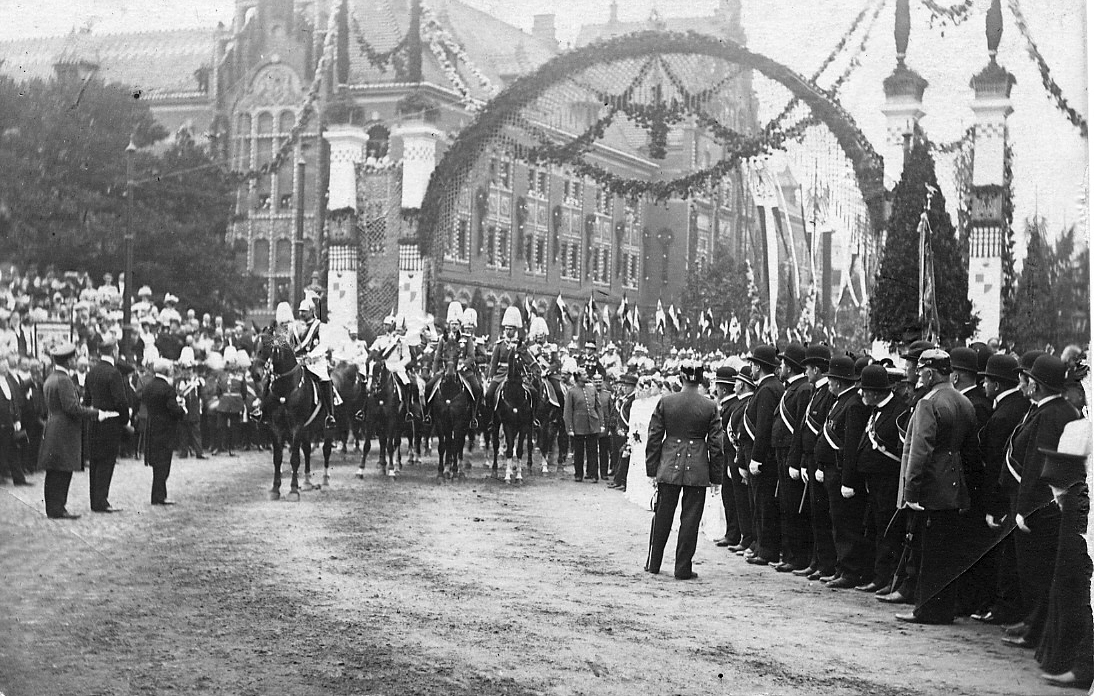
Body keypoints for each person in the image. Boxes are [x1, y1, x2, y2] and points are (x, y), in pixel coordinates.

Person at [1003, 354, 1081, 648]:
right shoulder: (1055, 410)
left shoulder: (1050, 415)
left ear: (1036, 386)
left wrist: (1025, 509)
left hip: (1039, 508)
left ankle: (1036, 630)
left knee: (1036, 572)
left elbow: (1038, 466)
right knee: (1033, 571)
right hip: (1045, 505)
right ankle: (1033, 622)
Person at [894, 349, 977, 624]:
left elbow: (919, 452)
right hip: (955, 485)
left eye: (921, 371)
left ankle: (926, 609)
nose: (918, 375)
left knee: (928, 551)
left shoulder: (928, 403)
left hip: (931, 486)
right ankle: (944, 609)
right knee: (947, 551)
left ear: (930, 372)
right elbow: (970, 450)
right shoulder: (964, 402)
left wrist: (910, 491)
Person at [644, 359, 723, 580]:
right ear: (700, 379)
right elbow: (717, 445)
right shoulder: (710, 406)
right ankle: (682, 568)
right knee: (690, 519)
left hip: (669, 464)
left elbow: (654, 438)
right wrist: (716, 476)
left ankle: (654, 562)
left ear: (680, 378)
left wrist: (652, 469)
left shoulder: (666, 402)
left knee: (663, 514)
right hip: (697, 468)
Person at [1034, 418, 1093, 689]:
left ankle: (1079, 665)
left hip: (1079, 507)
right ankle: (1073, 661)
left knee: (1076, 586)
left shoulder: (1080, 427)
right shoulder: (1079, 426)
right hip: (1080, 506)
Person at [974, 353, 1027, 625]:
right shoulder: (1018, 405)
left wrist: (992, 507)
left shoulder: (1003, 415)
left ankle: (1002, 608)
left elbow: (994, 467)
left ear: (996, 384)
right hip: (1017, 496)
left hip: (1004, 498)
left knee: (1003, 556)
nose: (983, 385)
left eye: (987, 381)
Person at [38, 343, 117, 519]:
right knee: (63, 469)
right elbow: (72, 407)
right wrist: (97, 413)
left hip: (53, 426)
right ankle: (58, 508)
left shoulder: (51, 378)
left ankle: (53, 507)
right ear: (68, 361)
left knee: (54, 470)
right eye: (73, 358)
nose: (75, 361)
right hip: (64, 428)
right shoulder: (64, 380)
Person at [813, 355, 871, 590]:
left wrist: (847, 480)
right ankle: (841, 567)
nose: (828, 383)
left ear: (838, 381)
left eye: (831, 379)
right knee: (837, 522)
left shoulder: (853, 405)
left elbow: (849, 446)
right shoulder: (840, 401)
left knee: (846, 524)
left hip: (841, 473)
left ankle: (849, 570)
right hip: (830, 471)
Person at [855, 364, 906, 593]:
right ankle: (878, 575)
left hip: (889, 481)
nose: (861, 393)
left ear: (876, 392)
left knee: (888, 531)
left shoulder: (899, 411)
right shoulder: (876, 410)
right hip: (874, 481)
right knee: (875, 527)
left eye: (865, 389)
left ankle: (886, 577)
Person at [787, 344, 836, 580]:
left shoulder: (827, 393)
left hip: (819, 461)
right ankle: (817, 561)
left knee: (822, 516)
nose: (805, 372)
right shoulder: (815, 391)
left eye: (807, 368)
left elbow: (822, 433)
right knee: (814, 514)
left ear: (816, 369)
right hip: (810, 460)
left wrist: (813, 461)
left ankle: (825, 563)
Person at [771, 342, 812, 572]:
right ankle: (789, 554)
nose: (781, 366)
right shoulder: (792, 388)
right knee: (785, 504)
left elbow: (800, 428)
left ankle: (796, 556)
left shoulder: (803, 390)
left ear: (792, 366)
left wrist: (795, 461)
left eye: (785, 362)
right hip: (783, 453)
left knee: (793, 507)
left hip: (791, 454)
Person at [742, 345, 784, 566]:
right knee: (760, 504)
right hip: (764, 457)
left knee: (764, 504)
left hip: (763, 459)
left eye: (752, 364)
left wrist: (756, 458)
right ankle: (761, 545)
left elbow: (763, 427)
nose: (750, 368)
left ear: (758, 366)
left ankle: (766, 549)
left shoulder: (768, 389)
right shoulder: (768, 386)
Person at [82, 334, 130, 513]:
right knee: (107, 461)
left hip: (94, 420)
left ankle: (95, 500)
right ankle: (102, 501)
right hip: (111, 422)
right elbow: (121, 401)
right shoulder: (114, 373)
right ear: (114, 351)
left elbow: (87, 399)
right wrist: (124, 420)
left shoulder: (91, 372)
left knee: (95, 461)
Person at [425, 301, 480, 426]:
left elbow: (471, 357)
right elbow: (438, 356)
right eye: (452, 323)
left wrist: (462, 365)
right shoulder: (443, 339)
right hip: (446, 370)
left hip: (464, 371)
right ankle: (428, 414)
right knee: (429, 386)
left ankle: (474, 416)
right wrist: (434, 371)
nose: (454, 326)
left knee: (477, 389)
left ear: (460, 325)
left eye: (456, 324)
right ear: (448, 324)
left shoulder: (466, 338)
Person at [143, 357, 184, 505]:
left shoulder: (149, 386)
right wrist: (182, 410)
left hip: (152, 426)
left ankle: (159, 494)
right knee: (164, 464)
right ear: (166, 371)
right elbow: (173, 409)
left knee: (157, 463)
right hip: (165, 429)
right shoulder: (167, 389)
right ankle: (159, 495)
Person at [291, 298, 336, 428]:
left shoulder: (320, 326)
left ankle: (329, 414)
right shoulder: (295, 327)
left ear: (312, 311)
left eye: (304, 311)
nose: (301, 314)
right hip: (298, 362)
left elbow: (323, 346)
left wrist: (310, 356)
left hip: (315, 363)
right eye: (300, 311)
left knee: (325, 379)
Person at [368, 313, 420, 422]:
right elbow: (374, 352)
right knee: (372, 384)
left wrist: (399, 366)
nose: (385, 327)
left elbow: (407, 357)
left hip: (397, 366)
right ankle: (364, 410)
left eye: (387, 325)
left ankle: (407, 409)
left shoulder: (402, 341)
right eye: (384, 325)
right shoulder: (380, 339)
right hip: (383, 365)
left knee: (407, 383)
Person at [711, 365, 740, 548]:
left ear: (722, 389)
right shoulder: (728, 406)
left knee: (731, 497)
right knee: (728, 495)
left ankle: (733, 534)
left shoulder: (730, 407)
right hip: (727, 456)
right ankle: (732, 532)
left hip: (730, 457)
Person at [563, 358, 602, 482]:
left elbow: (598, 407)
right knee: (579, 452)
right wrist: (569, 428)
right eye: (584, 374)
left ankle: (594, 474)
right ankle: (578, 474)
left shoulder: (592, 389)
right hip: (578, 426)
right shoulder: (572, 392)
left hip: (592, 424)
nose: (587, 376)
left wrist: (601, 424)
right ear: (578, 377)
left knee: (593, 451)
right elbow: (568, 411)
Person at [0, 352, 29, 486]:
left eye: (6, 367)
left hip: (10, 422)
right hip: (2, 423)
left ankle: (19, 479)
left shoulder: (8, 382)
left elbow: (14, 402)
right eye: (3, 367)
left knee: (13, 450)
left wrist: (17, 420)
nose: (6, 369)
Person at [607, 372, 638, 492]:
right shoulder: (625, 399)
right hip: (619, 431)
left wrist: (625, 430)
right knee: (619, 456)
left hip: (626, 431)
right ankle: (618, 480)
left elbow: (630, 417)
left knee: (625, 457)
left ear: (633, 387)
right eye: (624, 386)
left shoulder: (633, 399)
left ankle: (622, 481)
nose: (624, 388)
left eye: (627, 386)